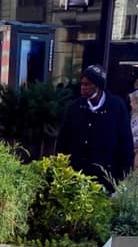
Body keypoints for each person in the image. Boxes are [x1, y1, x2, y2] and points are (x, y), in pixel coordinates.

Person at [56, 64, 134, 192]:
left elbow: (125, 142)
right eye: (82, 84)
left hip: (106, 175)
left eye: (87, 84)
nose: (83, 87)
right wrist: (62, 167)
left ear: (98, 86)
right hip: (77, 173)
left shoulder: (116, 107)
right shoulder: (75, 107)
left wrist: (123, 174)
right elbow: (63, 139)